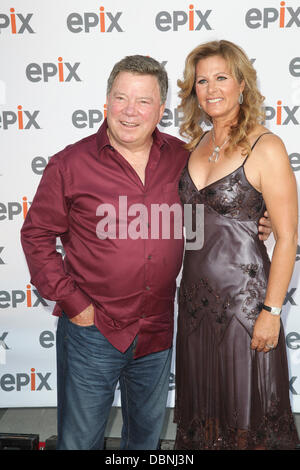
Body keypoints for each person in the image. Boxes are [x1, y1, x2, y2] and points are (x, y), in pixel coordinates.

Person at [20, 54, 271, 451]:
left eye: (143, 101)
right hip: (92, 331)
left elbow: (216, 211)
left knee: (146, 443)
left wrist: (256, 220)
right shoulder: (69, 164)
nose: (130, 112)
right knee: (79, 441)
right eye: (121, 98)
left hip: (157, 333)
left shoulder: (184, 158)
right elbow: (36, 236)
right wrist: (74, 304)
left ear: (161, 109)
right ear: (106, 101)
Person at [174, 40, 299, 450]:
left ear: (242, 83)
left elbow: (288, 238)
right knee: (204, 422)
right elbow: (196, 229)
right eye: (202, 80)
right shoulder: (196, 147)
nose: (211, 88)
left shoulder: (268, 147)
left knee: (247, 418)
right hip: (194, 307)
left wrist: (272, 311)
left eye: (221, 77)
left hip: (245, 309)